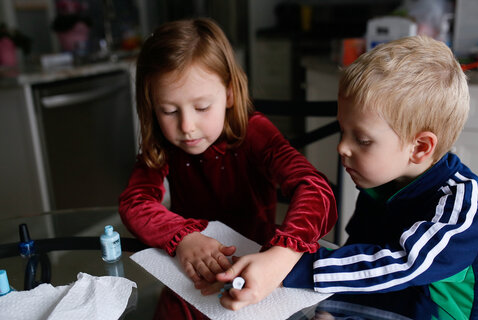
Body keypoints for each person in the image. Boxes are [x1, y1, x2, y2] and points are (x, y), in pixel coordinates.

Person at [220, 35, 478, 319]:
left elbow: (400, 263)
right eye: (343, 130)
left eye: (362, 140)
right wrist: (327, 307)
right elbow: (358, 250)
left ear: (420, 147)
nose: (341, 147)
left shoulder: (463, 208)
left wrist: (289, 268)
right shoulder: (382, 180)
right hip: (383, 298)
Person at [118, 17, 337, 312]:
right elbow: (135, 202)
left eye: (202, 107)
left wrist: (282, 255)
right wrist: (183, 237)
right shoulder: (162, 142)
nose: (187, 126)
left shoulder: (254, 132)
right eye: (169, 110)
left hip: (257, 271)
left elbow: (316, 189)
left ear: (230, 94)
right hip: (190, 270)